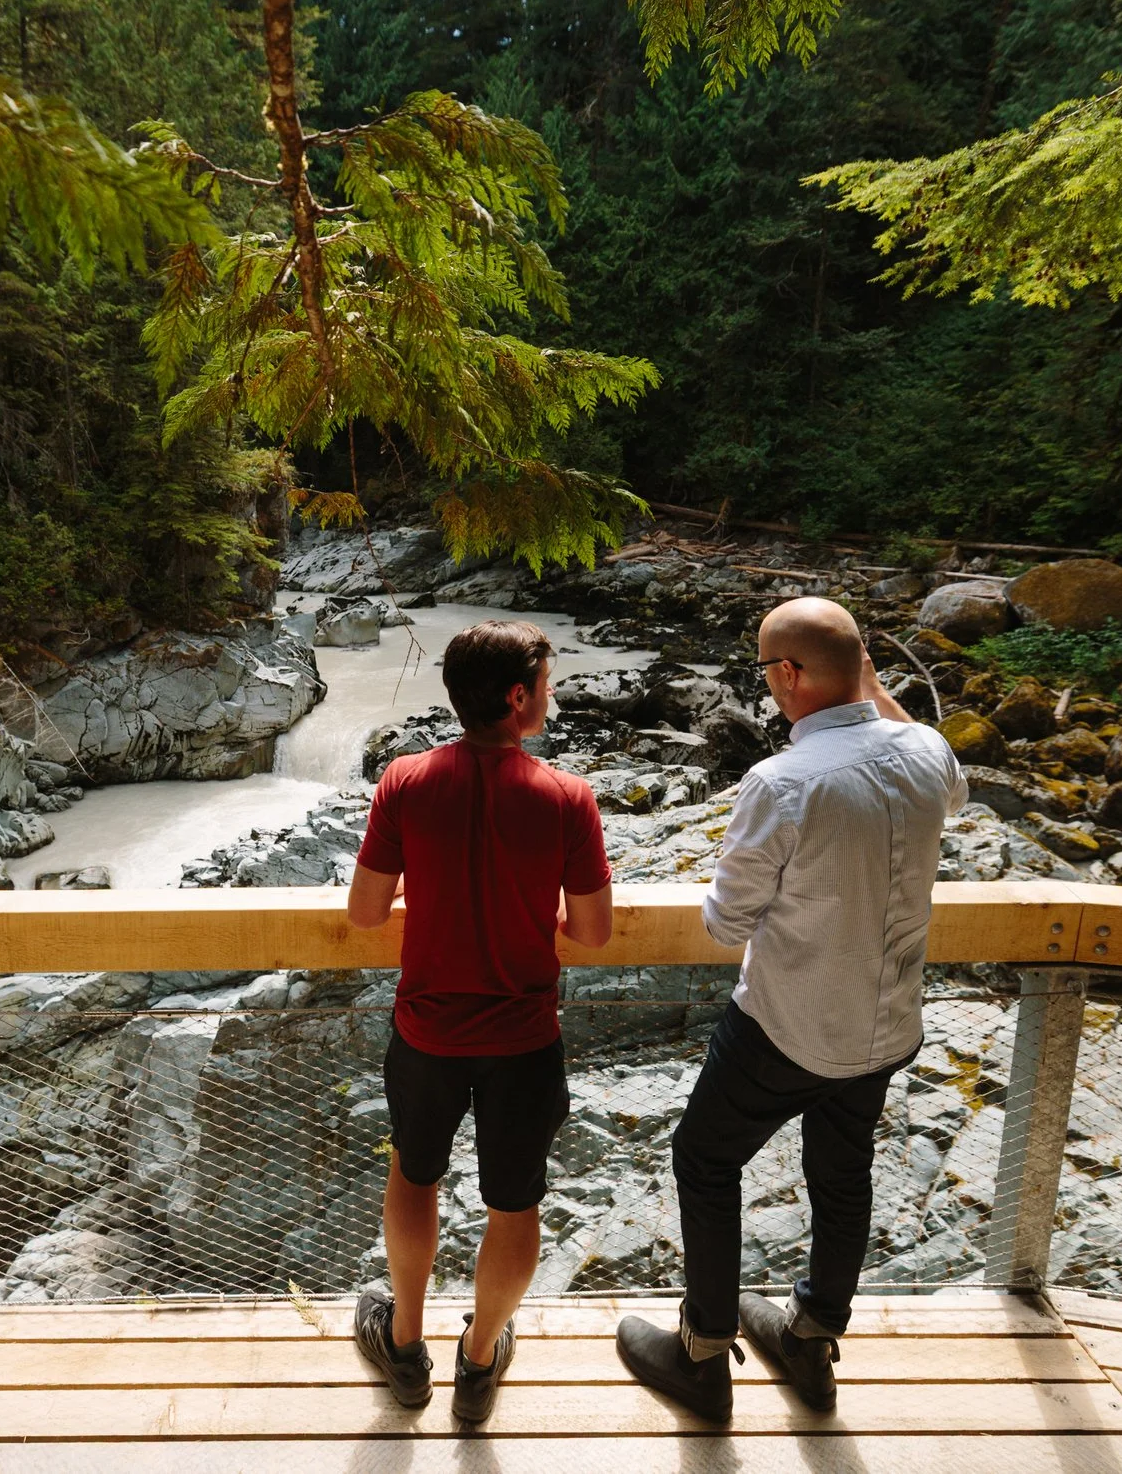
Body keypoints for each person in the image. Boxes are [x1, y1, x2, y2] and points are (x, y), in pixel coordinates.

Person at [616, 596, 965, 1421]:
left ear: (790, 675)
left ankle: (702, 1353)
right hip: (886, 1027)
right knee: (843, 1171)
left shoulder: (781, 782)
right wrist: (869, 686)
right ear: (863, 669)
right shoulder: (926, 751)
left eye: (769, 670)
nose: (768, 685)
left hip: (787, 1026)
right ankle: (811, 1342)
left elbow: (727, 920)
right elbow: (951, 791)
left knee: (706, 1159)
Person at [345, 619, 615, 1422]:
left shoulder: (404, 781)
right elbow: (592, 931)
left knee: (414, 1174)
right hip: (525, 1040)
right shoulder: (567, 797)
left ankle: (403, 1346)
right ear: (517, 696)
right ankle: (478, 1357)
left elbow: (364, 912)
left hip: (427, 1031)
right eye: (548, 679)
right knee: (513, 1203)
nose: (553, 692)